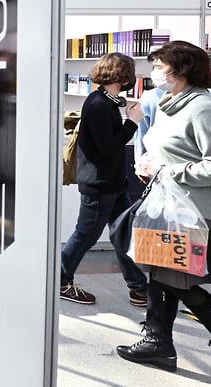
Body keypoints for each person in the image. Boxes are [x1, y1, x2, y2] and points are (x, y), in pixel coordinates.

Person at [118, 42, 211, 387]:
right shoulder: (173, 102)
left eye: (159, 66)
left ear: (181, 70)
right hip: (169, 206)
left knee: (177, 281)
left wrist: (166, 171)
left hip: (192, 212)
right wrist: (150, 164)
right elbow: (173, 150)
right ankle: (157, 342)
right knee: (160, 274)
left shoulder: (202, 107)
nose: (154, 72)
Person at [60, 53, 149, 307]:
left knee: (123, 235)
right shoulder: (99, 104)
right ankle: (61, 280)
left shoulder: (105, 101)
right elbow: (108, 148)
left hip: (112, 183)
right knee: (86, 235)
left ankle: (138, 287)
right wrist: (132, 123)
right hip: (100, 185)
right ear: (123, 75)